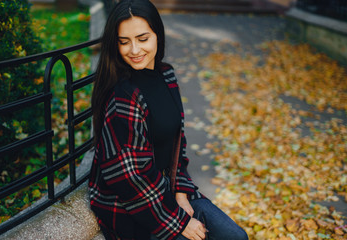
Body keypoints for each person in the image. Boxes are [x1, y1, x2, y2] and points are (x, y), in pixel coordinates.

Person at [88, 0, 249, 239]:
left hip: (167, 192)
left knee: (236, 237)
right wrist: (179, 221)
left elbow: (178, 143)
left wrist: (181, 194)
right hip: (132, 208)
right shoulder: (124, 96)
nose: (134, 50)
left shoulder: (166, 75)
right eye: (124, 42)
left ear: (157, 36)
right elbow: (128, 178)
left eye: (143, 39)